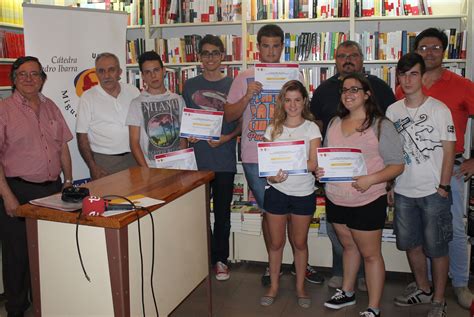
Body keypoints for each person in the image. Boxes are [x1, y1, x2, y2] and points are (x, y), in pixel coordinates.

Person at [224, 24, 324, 286]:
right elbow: (228, 115)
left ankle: (300, 262)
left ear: (282, 47)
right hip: (256, 156)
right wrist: (247, 96)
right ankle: (273, 266)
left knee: (297, 211)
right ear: (258, 47)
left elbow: (304, 111)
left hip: (293, 156)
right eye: (265, 46)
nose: (270, 51)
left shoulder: (293, 74)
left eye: (275, 46)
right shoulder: (245, 76)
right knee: (271, 213)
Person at [395, 28, 474, 309]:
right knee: (419, 234)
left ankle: (461, 284)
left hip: (448, 171)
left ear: (445, 51)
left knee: (450, 230)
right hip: (411, 174)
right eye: (424, 47)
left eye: (436, 47)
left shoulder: (461, 84)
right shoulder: (403, 87)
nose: (430, 52)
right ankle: (424, 285)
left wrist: (473, 160)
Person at [310, 40, 396, 291]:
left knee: (367, 246)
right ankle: (342, 276)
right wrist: (320, 167)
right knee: (343, 240)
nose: (347, 59)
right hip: (337, 186)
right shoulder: (327, 99)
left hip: (368, 188)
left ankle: (365, 283)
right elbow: (317, 127)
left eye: (353, 55)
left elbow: (391, 150)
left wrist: (385, 180)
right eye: (341, 55)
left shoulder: (380, 92)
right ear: (335, 60)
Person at [320, 73, 404, 317]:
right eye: (345, 90)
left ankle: (374, 306)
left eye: (355, 89)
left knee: (371, 254)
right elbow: (329, 157)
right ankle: (347, 292)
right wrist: (321, 170)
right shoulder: (335, 122)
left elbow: (397, 165)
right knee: (348, 247)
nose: (348, 94)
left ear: (367, 94)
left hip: (367, 200)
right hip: (336, 197)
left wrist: (371, 179)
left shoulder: (381, 125)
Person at [0, 56, 73, 317]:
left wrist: (67, 181)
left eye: (35, 74)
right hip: (18, 190)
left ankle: (44, 304)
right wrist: (8, 197)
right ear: (14, 79)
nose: (29, 79)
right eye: (23, 74)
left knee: (46, 253)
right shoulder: (4, 110)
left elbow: (62, 145)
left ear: (43, 78)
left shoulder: (51, 106)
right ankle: (17, 310)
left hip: (52, 190)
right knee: (17, 256)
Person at [387, 53, 456, 317]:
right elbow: (393, 152)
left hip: (433, 191)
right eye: (403, 75)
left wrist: (444, 186)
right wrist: (391, 185)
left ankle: (439, 299)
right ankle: (424, 289)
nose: (407, 79)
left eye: (413, 74)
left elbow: (449, 152)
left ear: (423, 76)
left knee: (437, 248)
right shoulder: (393, 111)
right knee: (411, 244)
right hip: (404, 192)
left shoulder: (439, 109)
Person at [182, 35, 241, 281]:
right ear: (199, 57)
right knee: (198, 214)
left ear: (223, 56)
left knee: (223, 215)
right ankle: (201, 259)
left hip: (224, 160)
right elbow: (185, 120)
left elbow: (241, 123)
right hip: (197, 161)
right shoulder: (189, 85)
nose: (210, 58)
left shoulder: (234, 85)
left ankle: (220, 260)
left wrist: (227, 139)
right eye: (205, 53)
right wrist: (190, 135)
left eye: (215, 53)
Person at [259, 80, 321, 308]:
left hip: (303, 193)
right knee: (276, 244)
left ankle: (300, 287)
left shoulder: (312, 128)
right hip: (277, 192)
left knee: (300, 243)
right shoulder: (272, 128)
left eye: (297, 99)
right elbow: (265, 165)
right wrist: (272, 177)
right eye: (288, 100)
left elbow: (314, 163)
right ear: (282, 102)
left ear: (304, 101)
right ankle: (273, 286)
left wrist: (293, 164)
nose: (293, 105)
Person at [76, 52, 140, 179]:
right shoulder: (88, 97)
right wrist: (92, 166)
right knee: (109, 198)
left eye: (111, 70)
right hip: (105, 162)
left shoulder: (133, 91)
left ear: (120, 72)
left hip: (135, 157)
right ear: (96, 74)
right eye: (101, 71)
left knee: (137, 198)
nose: (106, 75)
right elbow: (81, 136)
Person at [126, 51, 186, 167]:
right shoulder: (136, 103)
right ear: (143, 76)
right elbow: (134, 142)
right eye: (147, 72)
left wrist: (182, 162)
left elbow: (183, 136)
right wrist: (146, 169)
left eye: (156, 70)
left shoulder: (178, 99)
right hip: (152, 167)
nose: (153, 76)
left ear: (164, 71)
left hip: (178, 166)